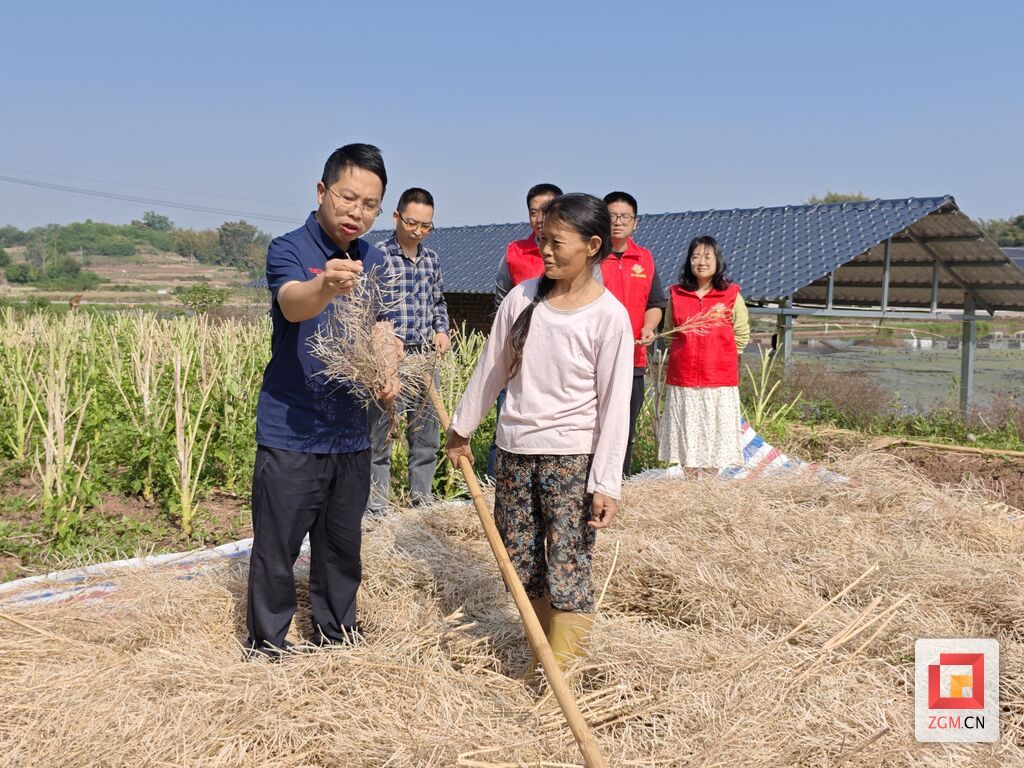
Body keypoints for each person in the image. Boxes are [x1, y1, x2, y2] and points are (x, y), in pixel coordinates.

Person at [446, 193, 633, 675]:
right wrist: (461, 428)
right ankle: (539, 660)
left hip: (570, 459)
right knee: (522, 566)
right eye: (542, 239)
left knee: (567, 567)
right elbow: (492, 369)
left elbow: (615, 407)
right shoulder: (522, 298)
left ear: (593, 245)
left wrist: (607, 481)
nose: (545, 250)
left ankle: (559, 679)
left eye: (557, 241)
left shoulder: (608, 316)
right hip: (513, 452)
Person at [245, 143, 400, 659]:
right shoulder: (288, 247)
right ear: (321, 191)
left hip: (351, 431)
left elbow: (379, 326)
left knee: (340, 547)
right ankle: (268, 643)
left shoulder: (373, 258)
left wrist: (388, 365)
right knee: (277, 547)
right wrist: (326, 287)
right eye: (347, 197)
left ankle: (337, 636)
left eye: (370, 204)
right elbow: (291, 304)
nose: (357, 212)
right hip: (293, 429)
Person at [367, 188, 450, 514]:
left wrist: (441, 329)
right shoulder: (378, 255)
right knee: (381, 436)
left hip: (425, 356)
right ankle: (377, 509)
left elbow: (438, 302)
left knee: (427, 436)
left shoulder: (432, 260)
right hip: (390, 358)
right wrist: (382, 348)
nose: (417, 230)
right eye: (412, 222)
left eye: (426, 226)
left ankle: (422, 505)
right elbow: (366, 307)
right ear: (397, 217)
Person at [486, 182, 563, 480]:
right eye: (534, 212)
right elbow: (499, 299)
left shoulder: (574, 252)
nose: (540, 218)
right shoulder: (515, 252)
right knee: (506, 421)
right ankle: (497, 484)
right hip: (518, 352)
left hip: (557, 356)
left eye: (548, 210)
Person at [658, 235, 750, 474]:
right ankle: (689, 479)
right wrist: (681, 354)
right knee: (687, 429)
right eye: (695, 256)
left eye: (707, 256)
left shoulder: (730, 294)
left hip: (718, 378)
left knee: (713, 431)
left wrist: (727, 355)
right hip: (683, 378)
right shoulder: (677, 294)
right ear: (689, 261)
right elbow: (669, 332)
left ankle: (709, 481)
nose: (701, 261)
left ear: (718, 261)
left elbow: (741, 331)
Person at [601, 191, 666, 476]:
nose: (617, 222)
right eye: (611, 216)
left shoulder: (645, 259)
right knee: (594, 425)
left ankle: (619, 484)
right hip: (595, 359)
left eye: (624, 217)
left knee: (625, 427)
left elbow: (655, 303)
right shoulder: (590, 257)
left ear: (635, 223)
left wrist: (649, 327)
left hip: (633, 359)